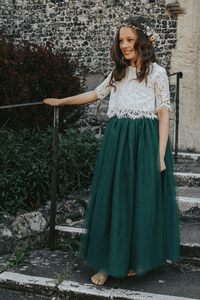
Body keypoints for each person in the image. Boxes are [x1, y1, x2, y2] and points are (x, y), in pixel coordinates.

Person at [43, 16, 180, 286]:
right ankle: (107, 262)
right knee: (114, 200)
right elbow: (95, 94)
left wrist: (161, 155)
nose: (124, 45)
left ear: (144, 41)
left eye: (130, 40)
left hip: (145, 143)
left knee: (140, 202)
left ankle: (132, 260)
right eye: (121, 40)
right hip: (117, 144)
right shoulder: (118, 72)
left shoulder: (158, 73)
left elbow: (164, 113)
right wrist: (63, 101)